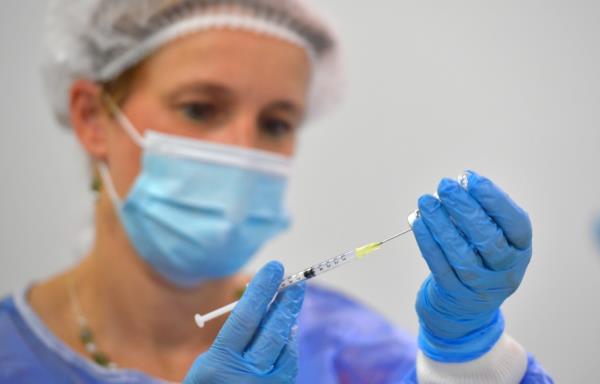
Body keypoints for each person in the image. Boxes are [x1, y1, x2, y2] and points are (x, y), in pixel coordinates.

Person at [0, 1, 553, 383]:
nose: (245, 149)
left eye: (276, 122)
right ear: (93, 117)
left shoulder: (351, 353)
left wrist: (468, 359)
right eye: (200, 108)